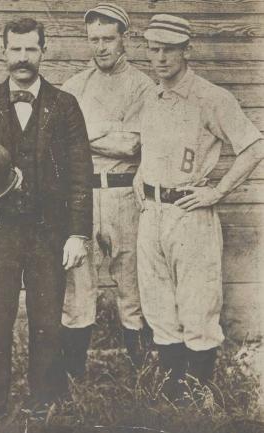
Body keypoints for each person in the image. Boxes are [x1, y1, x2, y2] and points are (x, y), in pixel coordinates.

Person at [0, 17, 93, 433]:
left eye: (31, 49)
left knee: (47, 318)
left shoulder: (65, 105)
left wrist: (78, 232)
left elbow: (81, 173)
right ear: (3, 52)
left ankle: (42, 399)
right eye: (15, 49)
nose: (22, 58)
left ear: (43, 52)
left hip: (50, 232)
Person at [132, 14, 264, 401]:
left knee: (197, 303)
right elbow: (152, 147)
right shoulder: (150, 95)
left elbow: (254, 147)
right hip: (152, 212)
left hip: (190, 212)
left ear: (186, 50)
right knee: (157, 303)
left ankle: (199, 392)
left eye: (168, 49)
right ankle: (172, 391)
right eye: (153, 50)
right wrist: (142, 174)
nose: (159, 58)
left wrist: (217, 191)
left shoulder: (212, 97)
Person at [60, 2, 154, 376]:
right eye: (93, 40)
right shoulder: (74, 87)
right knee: (77, 288)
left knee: (131, 288)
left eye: (108, 39)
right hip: (82, 196)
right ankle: (72, 378)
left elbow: (131, 146)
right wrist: (103, 137)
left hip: (123, 195)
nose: (100, 47)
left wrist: (81, 138)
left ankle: (141, 376)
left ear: (124, 39)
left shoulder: (143, 86)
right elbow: (59, 144)